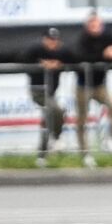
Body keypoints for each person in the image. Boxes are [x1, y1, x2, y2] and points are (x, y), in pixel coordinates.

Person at [75, 10, 112, 166]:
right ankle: (85, 153)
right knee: (82, 119)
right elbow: (82, 57)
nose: (95, 26)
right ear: (87, 26)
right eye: (92, 24)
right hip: (83, 85)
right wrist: (103, 55)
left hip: (100, 85)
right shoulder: (83, 39)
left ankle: (109, 139)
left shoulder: (107, 36)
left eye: (97, 23)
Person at [24, 28, 74, 167]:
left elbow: (76, 58)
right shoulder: (35, 49)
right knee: (57, 110)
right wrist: (41, 64)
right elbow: (21, 59)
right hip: (38, 92)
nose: (52, 43)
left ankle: (42, 156)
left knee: (48, 121)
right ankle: (56, 139)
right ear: (44, 39)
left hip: (51, 93)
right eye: (50, 40)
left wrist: (59, 63)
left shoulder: (62, 52)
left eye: (55, 40)